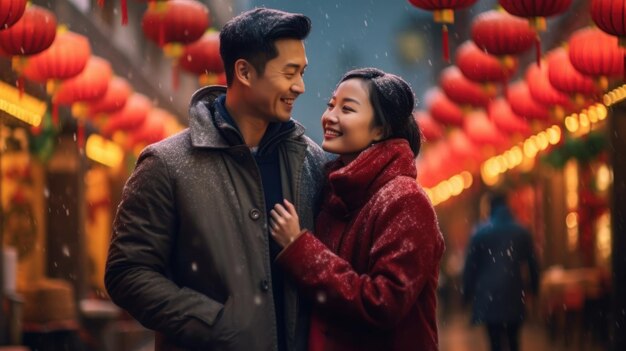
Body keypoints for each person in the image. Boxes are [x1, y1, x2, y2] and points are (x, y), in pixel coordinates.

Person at [104, 8, 326, 351]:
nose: (300, 86)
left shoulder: (309, 161)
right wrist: (216, 324)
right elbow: (128, 272)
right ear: (245, 72)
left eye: (302, 72)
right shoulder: (167, 163)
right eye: (290, 72)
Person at [269, 68, 445, 351]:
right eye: (331, 105)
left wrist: (300, 249)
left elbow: (382, 303)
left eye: (347, 109)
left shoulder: (405, 199)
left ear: (381, 129)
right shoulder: (335, 192)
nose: (330, 117)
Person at [462, 192, 540, 351]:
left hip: (488, 295)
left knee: (494, 342)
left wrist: (466, 294)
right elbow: (532, 263)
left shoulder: (480, 233)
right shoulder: (521, 231)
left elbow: (470, 267)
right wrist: (534, 288)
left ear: (490, 207)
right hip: (514, 292)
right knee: (514, 340)